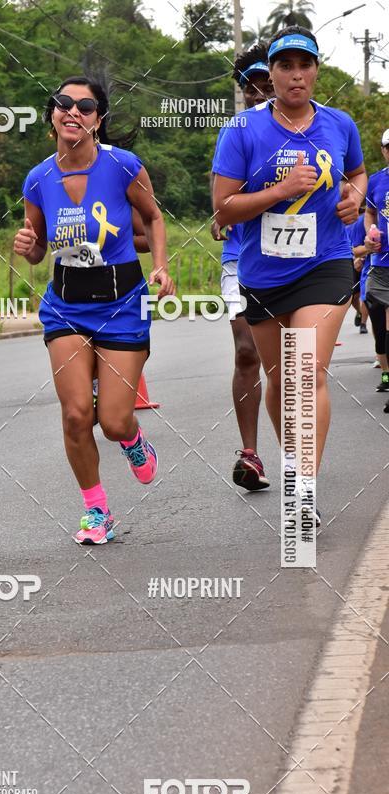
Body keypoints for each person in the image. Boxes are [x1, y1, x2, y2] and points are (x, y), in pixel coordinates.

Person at [212, 26, 367, 526]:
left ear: (316, 70)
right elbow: (224, 208)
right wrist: (279, 192)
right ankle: (294, 468)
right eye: (285, 66)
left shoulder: (340, 124)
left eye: (305, 65)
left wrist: (354, 197)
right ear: (272, 75)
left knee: (305, 372)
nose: (295, 75)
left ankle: (303, 490)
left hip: (325, 263)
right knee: (280, 382)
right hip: (263, 272)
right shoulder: (241, 130)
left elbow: (357, 173)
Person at [14, 76, 174, 544]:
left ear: (98, 120)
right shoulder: (39, 178)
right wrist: (27, 246)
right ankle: (96, 510)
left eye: (85, 106)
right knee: (76, 414)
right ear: (52, 116)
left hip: (122, 302)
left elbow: (154, 217)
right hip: (65, 305)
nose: (73, 112)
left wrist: (161, 267)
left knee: (113, 420)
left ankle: (132, 439)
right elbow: (38, 247)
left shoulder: (123, 167)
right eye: (64, 103)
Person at [211, 43, 275, 491]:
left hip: (299, 263)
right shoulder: (235, 130)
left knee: (292, 364)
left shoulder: (310, 127)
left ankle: (299, 459)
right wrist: (219, 217)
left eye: (263, 83)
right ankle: (250, 454)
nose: (256, 92)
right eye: (248, 85)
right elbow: (223, 194)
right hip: (242, 258)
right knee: (246, 350)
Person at [364, 129, 389, 410]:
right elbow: (370, 212)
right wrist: (370, 232)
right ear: (383, 151)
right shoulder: (376, 181)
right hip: (382, 262)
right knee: (380, 327)